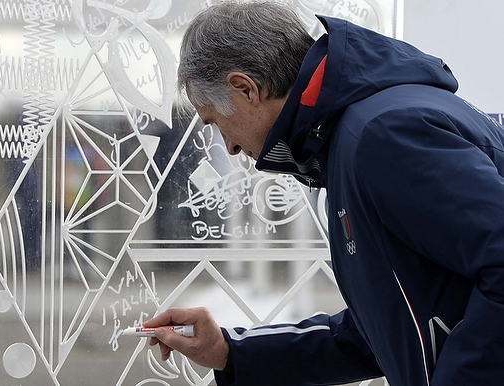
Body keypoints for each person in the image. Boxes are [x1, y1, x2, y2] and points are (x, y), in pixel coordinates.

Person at [144, 2, 504, 385]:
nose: (228, 146)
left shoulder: (380, 136)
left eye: (216, 121)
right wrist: (230, 353)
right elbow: (381, 331)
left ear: (245, 88)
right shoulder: (351, 138)